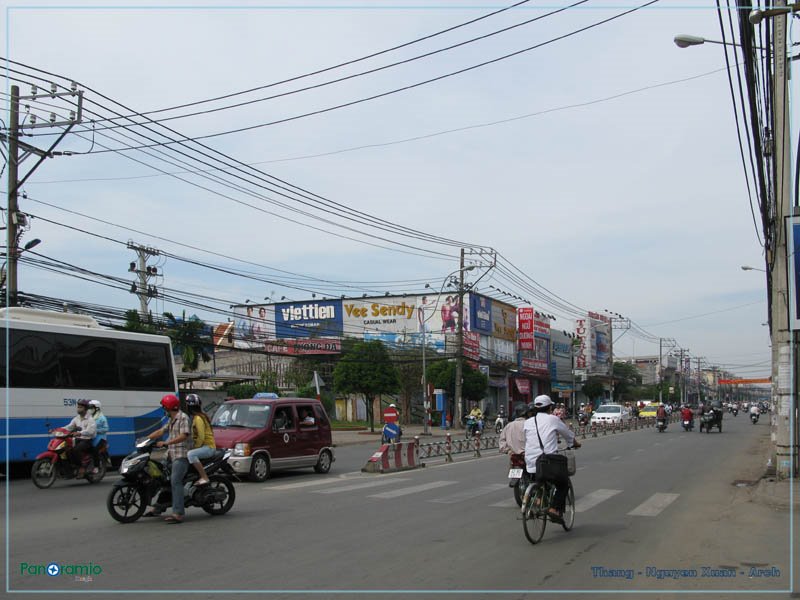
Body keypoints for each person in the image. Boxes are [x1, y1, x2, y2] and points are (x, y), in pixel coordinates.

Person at [523, 395, 581, 520]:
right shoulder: (553, 419)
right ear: (550, 407)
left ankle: (538, 500)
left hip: (531, 463)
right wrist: (575, 444)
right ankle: (554, 509)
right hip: (548, 462)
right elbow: (568, 436)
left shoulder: (527, 422)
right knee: (563, 484)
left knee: (539, 479)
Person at [147, 394, 191, 524]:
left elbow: (184, 435)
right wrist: (147, 438)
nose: (164, 410)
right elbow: (161, 431)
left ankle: (178, 513)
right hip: (171, 455)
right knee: (162, 480)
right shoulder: (172, 419)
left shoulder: (183, 418)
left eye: (164, 408)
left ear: (169, 407)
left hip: (181, 456)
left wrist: (167, 443)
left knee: (175, 481)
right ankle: (158, 507)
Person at [59, 399, 97, 477]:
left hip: (87, 440)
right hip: (78, 440)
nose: (78, 409)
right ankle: (71, 469)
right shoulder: (76, 418)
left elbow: (91, 431)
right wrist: (59, 430)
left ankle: (81, 467)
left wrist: (80, 433)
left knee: (76, 450)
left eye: (80, 407)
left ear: (85, 409)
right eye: (78, 407)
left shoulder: (90, 419)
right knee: (67, 450)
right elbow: (69, 427)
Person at [185, 394, 215, 486]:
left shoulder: (198, 418)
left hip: (208, 447)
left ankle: (204, 477)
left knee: (190, 454)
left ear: (188, 406)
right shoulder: (199, 416)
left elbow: (201, 437)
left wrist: (195, 448)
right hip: (206, 446)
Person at [88, 400, 108, 473]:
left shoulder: (102, 418)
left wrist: (96, 430)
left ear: (97, 408)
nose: (89, 409)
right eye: (89, 407)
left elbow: (106, 428)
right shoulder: (89, 417)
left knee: (94, 450)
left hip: (100, 438)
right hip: (91, 437)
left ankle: (96, 467)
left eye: (91, 407)